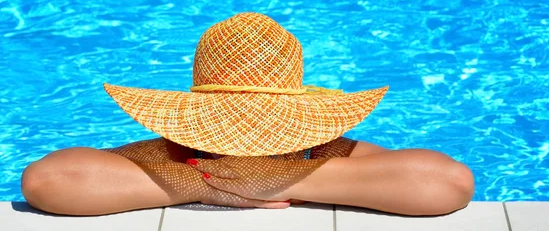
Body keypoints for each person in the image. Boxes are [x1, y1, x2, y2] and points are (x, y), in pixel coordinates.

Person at [21, 13, 474, 216]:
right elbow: (47, 181)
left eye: (261, 127)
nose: (246, 137)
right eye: (231, 126)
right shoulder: (174, 153)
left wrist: (284, 177)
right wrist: (199, 182)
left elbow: (449, 183)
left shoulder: (322, 149)